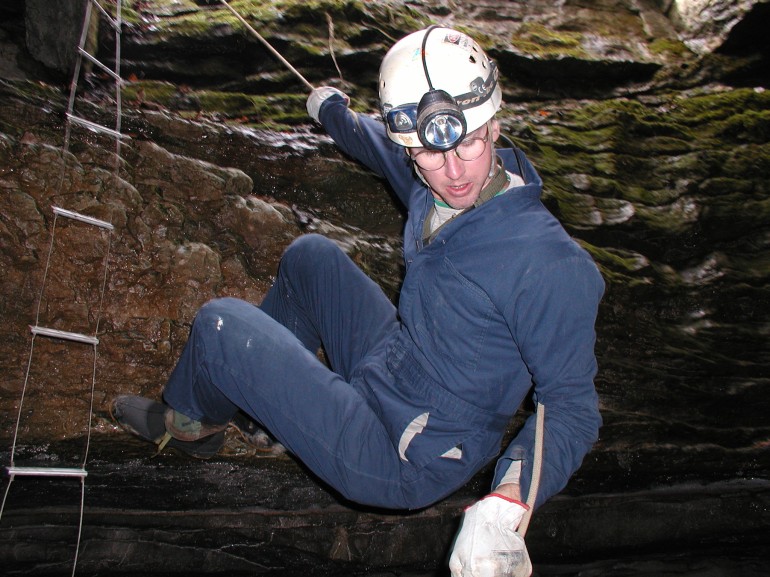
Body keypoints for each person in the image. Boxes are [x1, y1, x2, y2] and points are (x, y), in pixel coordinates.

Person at [113, 25, 604, 576]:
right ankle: (265, 418)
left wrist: (509, 502)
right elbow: (383, 152)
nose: (454, 172)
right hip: (395, 363)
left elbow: (570, 405)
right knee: (311, 256)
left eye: (468, 142)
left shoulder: (548, 263)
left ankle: (191, 426)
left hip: (407, 451)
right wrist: (331, 113)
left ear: (493, 122)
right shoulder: (431, 175)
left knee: (221, 325)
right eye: (429, 154)